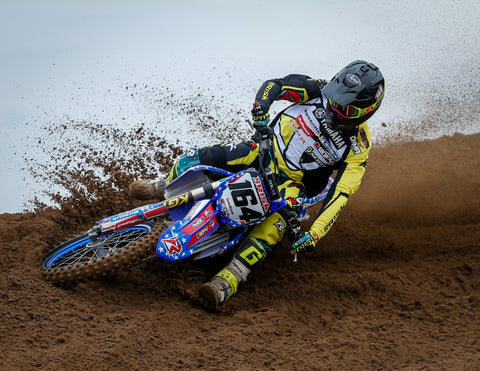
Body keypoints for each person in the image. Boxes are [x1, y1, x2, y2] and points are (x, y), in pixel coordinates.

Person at [129, 60, 385, 308]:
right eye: (333, 97)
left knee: (274, 228)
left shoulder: (358, 146)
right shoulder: (317, 89)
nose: (334, 108)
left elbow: (341, 194)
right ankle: (161, 187)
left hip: (291, 188)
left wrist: (314, 234)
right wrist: (261, 107)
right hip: (261, 150)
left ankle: (227, 280)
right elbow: (276, 85)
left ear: (366, 111)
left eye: (345, 108)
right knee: (195, 158)